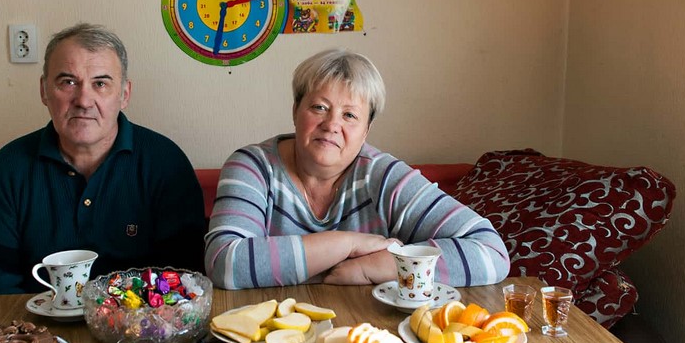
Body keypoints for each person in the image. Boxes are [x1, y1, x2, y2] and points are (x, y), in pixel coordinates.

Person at [204, 49, 510, 290]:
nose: (331, 125)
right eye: (319, 107)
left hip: (366, 339)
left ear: (366, 130)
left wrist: (377, 266)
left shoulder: (383, 176)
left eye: (350, 115)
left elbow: (490, 252)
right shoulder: (252, 166)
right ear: (296, 110)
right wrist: (350, 243)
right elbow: (225, 264)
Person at [0, 23, 206, 297]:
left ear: (124, 94)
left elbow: (187, 284)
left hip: (142, 332)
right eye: (68, 82)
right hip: (36, 331)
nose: (84, 100)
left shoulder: (166, 163)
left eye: (100, 84)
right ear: (44, 90)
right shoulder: (8, 169)